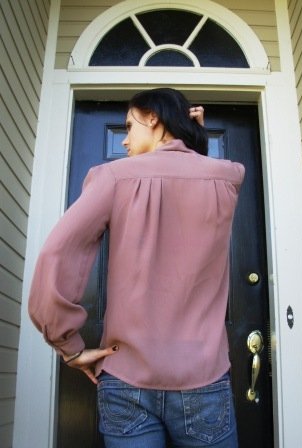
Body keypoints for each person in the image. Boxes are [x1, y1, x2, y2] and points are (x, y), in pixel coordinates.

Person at [28, 88, 245, 447]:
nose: (126, 140)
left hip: (125, 380)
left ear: (153, 117)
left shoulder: (113, 178)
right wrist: (196, 142)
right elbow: (198, 178)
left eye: (130, 126)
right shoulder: (226, 178)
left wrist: (69, 344)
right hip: (203, 380)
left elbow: (56, 254)